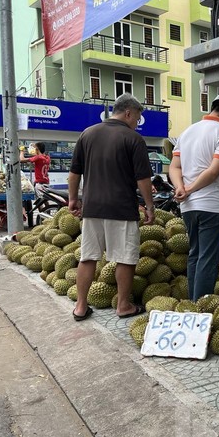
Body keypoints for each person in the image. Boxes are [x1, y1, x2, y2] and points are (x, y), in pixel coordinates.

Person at [68, 93, 155, 321]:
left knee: (88, 257)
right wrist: (149, 206)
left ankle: (80, 306)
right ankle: (124, 305)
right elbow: (143, 179)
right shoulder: (133, 139)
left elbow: (74, 173)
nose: (137, 123)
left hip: (93, 208)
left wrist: (72, 200)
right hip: (122, 209)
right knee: (125, 258)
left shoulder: (87, 134)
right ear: (128, 112)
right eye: (137, 118)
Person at [169, 93, 219, 301]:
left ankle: (193, 303)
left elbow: (174, 167)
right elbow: (213, 171)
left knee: (195, 255)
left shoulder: (187, 132)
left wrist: (181, 188)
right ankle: (201, 309)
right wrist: (189, 189)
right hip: (213, 207)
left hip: (189, 208)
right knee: (208, 259)